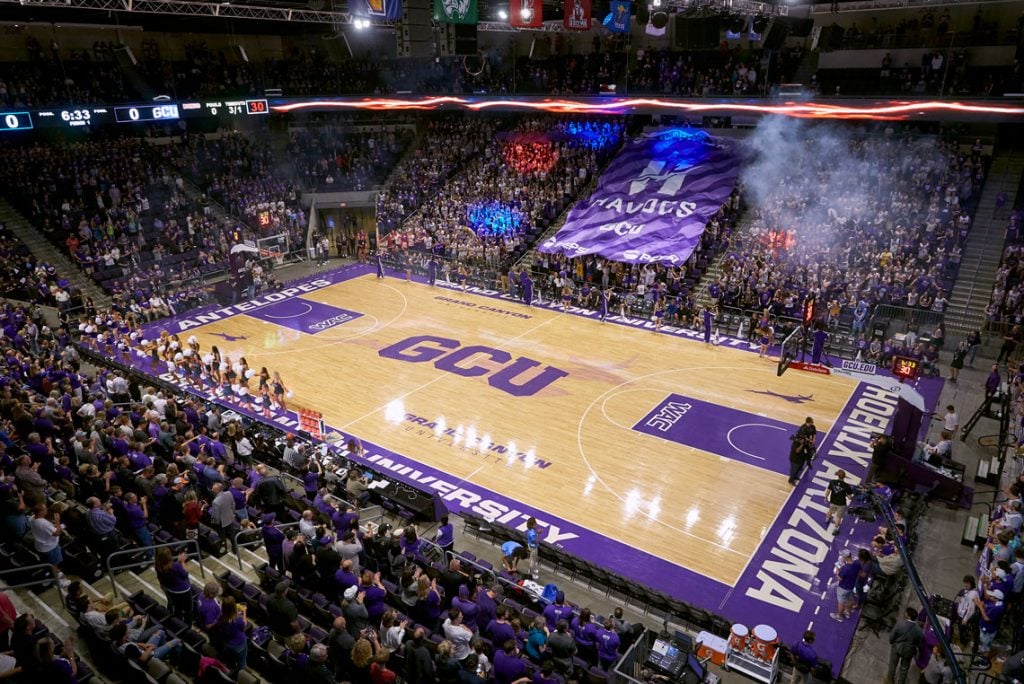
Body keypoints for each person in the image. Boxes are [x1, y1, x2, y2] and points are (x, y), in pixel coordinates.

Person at [155, 548, 195, 624]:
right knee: (188, 610)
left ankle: (178, 623)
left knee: (177, 608)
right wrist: (182, 562)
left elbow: (172, 571)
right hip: (184, 591)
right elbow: (185, 575)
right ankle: (187, 626)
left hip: (171, 591)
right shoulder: (175, 566)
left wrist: (178, 562)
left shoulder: (158, 566)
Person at [887, 606, 923, 684]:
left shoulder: (900, 624)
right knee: (904, 669)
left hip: (897, 648)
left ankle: (890, 681)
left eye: (906, 613)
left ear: (908, 616)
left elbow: (892, 635)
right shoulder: (919, 631)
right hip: (909, 651)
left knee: (892, 666)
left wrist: (892, 642)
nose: (905, 613)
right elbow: (919, 644)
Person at [218, 596, 248, 673]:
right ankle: (241, 673)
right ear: (233, 608)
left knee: (231, 660)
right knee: (242, 663)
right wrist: (244, 611)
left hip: (227, 644)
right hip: (239, 645)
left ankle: (230, 669)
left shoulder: (221, 618)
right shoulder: (238, 620)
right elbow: (244, 624)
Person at [825, 470, 854, 535]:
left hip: (833, 501)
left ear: (837, 475)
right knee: (838, 517)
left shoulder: (832, 482)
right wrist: (849, 496)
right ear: (844, 477)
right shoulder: (846, 486)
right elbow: (850, 497)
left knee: (830, 511)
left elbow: (828, 490)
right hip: (841, 504)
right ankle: (835, 530)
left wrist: (825, 497)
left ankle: (827, 519)